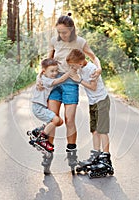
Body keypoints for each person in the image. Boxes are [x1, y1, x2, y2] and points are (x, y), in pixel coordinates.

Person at [41, 13, 102, 173]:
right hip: (55, 81)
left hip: (71, 83)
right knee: (52, 118)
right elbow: (48, 62)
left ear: (72, 29)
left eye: (64, 32)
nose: (62, 35)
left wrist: (99, 68)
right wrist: (41, 77)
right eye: (59, 32)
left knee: (69, 120)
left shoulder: (80, 42)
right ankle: (48, 154)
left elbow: (93, 57)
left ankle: (72, 155)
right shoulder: (54, 41)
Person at [66, 49, 113, 170]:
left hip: (101, 101)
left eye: (73, 66)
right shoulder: (81, 67)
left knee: (102, 130)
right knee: (94, 130)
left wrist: (79, 80)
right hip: (93, 103)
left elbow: (93, 87)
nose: (72, 68)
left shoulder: (91, 69)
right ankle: (96, 154)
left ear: (80, 64)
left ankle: (106, 158)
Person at [30, 58, 71, 153]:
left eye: (56, 70)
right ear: (44, 71)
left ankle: (38, 131)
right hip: (38, 107)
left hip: (40, 107)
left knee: (59, 122)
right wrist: (70, 71)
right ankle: (41, 138)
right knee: (56, 120)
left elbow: (41, 74)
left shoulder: (42, 77)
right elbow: (60, 80)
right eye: (52, 71)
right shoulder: (46, 81)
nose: (55, 73)